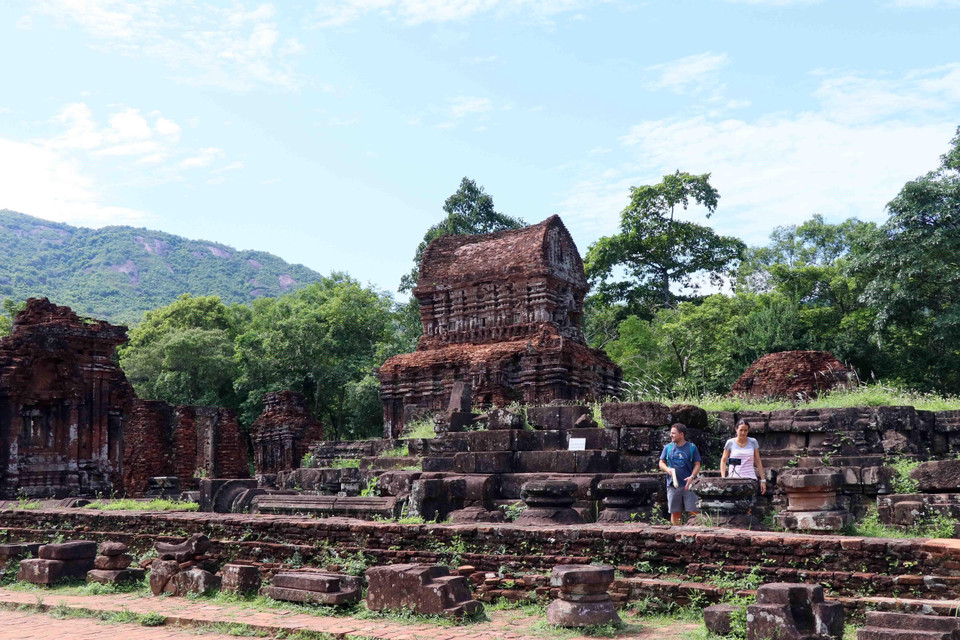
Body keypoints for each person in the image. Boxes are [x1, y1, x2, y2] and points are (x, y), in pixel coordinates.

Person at [658, 423, 702, 525]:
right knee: (675, 512)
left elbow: (697, 464)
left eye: (673, 433)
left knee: (693, 512)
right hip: (673, 485)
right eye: (671, 433)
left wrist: (692, 476)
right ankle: (676, 534)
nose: (671, 435)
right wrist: (667, 470)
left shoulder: (691, 447)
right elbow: (661, 462)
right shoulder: (668, 447)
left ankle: (694, 533)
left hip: (689, 485)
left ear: (681, 434)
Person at [720, 418, 767, 495]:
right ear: (736, 429)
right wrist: (723, 478)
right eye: (741, 430)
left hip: (750, 478)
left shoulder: (753, 442)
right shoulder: (730, 442)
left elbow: (758, 461)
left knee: (749, 505)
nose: (743, 433)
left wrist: (763, 480)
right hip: (734, 478)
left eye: (745, 430)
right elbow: (723, 460)